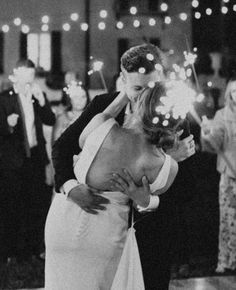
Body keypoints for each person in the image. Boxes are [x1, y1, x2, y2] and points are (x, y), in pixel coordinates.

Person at [51, 43, 195, 289]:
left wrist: (148, 200)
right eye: (138, 88)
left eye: (152, 87)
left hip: (150, 238)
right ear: (123, 80)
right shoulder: (102, 106)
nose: (145, 96)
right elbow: (63, 148)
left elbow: (186, 189)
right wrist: (71, 187)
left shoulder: (176, 118)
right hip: (92, 230)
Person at [0, 59, 56, 263]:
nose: (29, 82)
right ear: (17, 75)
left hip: (35, 159)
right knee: (13, 206)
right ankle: (10, 252)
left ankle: (32, 250)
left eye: (32, 78)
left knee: (35, 205)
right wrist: (7, 125)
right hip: (13, 162)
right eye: (26, 77)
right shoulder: (4, 98)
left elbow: (51, 120)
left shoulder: (36, 96)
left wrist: (42, 102)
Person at [201, 77, 236, 273]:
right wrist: (208, 132)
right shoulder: (222, 115)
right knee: (228, 220)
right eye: (234, 91)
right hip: (230, 175)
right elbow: (213, 144)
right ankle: (227, 260)